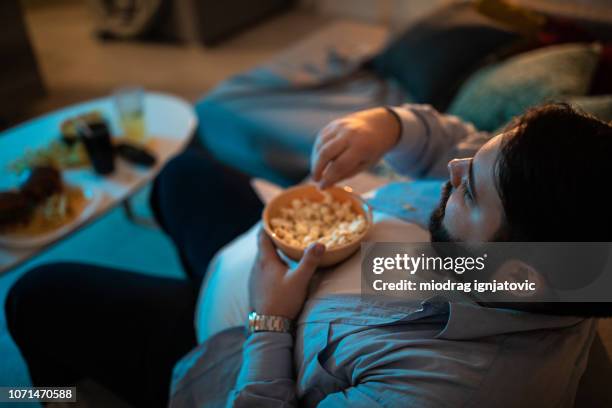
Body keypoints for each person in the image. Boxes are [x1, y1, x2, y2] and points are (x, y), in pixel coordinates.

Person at [6, 103, 612, 407]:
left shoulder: (444, 389)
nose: (455, 169)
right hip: (270, 260)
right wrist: (392, 126)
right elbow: (465, 147)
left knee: (38, 296)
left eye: (470, 189)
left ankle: (55, 397)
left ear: (518, 277)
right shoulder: (553, 252)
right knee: (180, 174)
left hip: (235, 337)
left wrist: (270, 319)